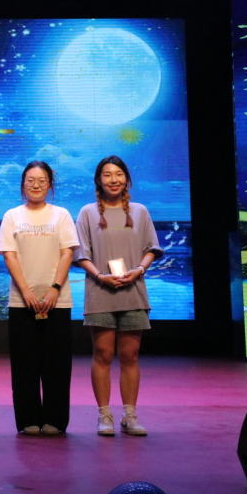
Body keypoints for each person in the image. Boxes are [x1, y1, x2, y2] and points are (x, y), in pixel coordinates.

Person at [75, 155, 164, 436]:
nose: (113, 180)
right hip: (100, 291)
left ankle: (130, 416)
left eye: (119, 174)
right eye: (107, 174)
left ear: (126, 179)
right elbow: (81, 254)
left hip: (133, 291)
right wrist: (100, 276)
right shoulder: (87, 212)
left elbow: (151, 248)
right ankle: (105, 416)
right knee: (102, 354)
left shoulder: (140, 211)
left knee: (130, 355)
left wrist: (139, 270)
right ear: (98, 181)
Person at [0, 161, 79, 436]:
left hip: (58, 301)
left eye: (42, 181)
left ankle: (55, 419)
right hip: (22, 301)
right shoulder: (12, 215)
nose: (36, 185)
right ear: (23, 185)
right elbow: (9, 255)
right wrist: (26, 291)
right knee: (24, 364)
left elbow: (67, 253)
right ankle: (28, 418)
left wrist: (54, 288)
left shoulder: (61, 215)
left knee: (57, 363)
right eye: (30, 180)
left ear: (50, 185)